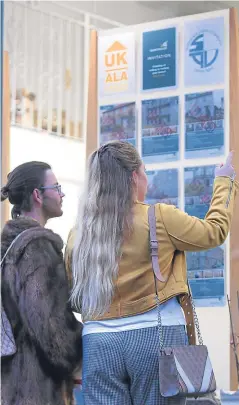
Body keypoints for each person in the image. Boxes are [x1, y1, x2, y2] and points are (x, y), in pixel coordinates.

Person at [65, 141, 238, 405]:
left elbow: (76, 297)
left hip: (98, 341)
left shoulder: (79, 233)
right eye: (145, 172)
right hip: (156, 338)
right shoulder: (159, 218)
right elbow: (214, 231)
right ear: (134, 177)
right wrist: (225, 182)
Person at [1, 161, 83, 405]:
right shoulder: (36, 248)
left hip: (14, 383)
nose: (62, 194)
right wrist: (83, 347)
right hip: (39, 388)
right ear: (37, 195)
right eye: (56, 187)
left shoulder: (10, 246)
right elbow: (52, 329)